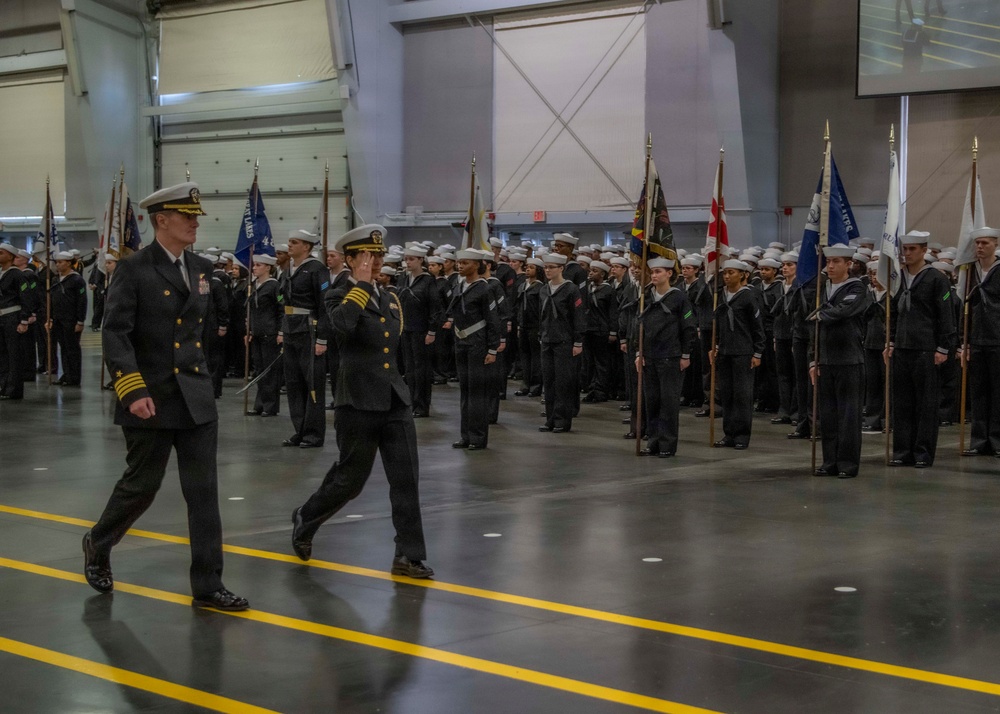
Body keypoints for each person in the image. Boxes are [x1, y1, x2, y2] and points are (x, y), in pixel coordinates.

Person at [83, 182, 248, 611]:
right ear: (162, 220)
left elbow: (197, 334)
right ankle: (99, 542)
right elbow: (116, 333)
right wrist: (131, 388)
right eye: (187, 216)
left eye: (196, 217)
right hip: (149, 397)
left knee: (204, 493)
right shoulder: (134, 269)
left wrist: (207, 382)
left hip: (195, 398)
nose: (195, 223)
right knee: (142, 486)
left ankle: (208, 586)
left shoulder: (200, 267)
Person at [291, 224, 432, 578]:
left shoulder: (390, 297)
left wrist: (372, 286)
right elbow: (342, 328)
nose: (376, 262)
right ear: (352, 260)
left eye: (379, 256)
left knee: (406, 478)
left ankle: (408, 554)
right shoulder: (336, 294)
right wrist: (362, 285)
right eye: (369, 257)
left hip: (393, 399)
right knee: (350, 480)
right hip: (356, 401)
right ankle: (307, 516)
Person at [886, 231, 956, 468]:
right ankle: (902, 450)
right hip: (903, 348)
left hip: (927, 348)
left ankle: (923, 452)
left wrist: (943, 347)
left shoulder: (936, 278)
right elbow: (894, 312)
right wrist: (892, 341)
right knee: (902, 402)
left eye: (912, 249)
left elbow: (946, 315)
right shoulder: (898, 278)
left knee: (925, 404)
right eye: (905, 249)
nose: (907, 253)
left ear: (924, 250)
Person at [808, 246, 871, 478]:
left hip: (849, 360)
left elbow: (845, 311)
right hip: (826, 359)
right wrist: (813, 360)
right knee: (828, 415)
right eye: (828, 261)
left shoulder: (857, 288)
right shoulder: (822, 289)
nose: (830, 266)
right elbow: (813, 329)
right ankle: (830, 461)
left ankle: (847, 463)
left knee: (848, 416)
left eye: (836, 261)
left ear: (848, 264)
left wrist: (822, 314)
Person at [636, 258, 697, 458]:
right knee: (651, 401)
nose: (654, 275)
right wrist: (639, 352)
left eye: (659, 271)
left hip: (671, 356)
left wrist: (685, 354)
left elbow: (688, 327)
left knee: (668, 403)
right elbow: (639, 326)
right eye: (652, 272)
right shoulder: (646, 295)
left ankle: (667, 444)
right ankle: (653, 442)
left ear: (669, 273)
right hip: (650, 357)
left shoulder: (679, 298)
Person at [445, 249, 501, 449]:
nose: (460, 266)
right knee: (465, 392)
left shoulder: (485, 289)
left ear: (477, 265)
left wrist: (493, 349)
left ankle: (478, 437)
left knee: (477, 393)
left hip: (478, 344)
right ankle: (466, 435)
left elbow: (493, 320)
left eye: (465, 263)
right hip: (462, 343)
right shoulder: (459, 285)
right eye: (459, 262)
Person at [280, 229, 330, 448]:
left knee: (312, 384)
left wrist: (322, 339)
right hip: (291, 328)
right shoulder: (287, 270)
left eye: (294, 242)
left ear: (307, 247)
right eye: (289, 242)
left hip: (310, 330)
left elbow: (325, 305)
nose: (289, 245)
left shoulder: (317, 269)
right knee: (293, 383)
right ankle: (299, 430)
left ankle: (313, 434)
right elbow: (281, 298)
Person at [711, 259, 764, 449]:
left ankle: (742, 435)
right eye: (724, 273)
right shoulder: (721, 296)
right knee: (727, 394)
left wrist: (757, 352)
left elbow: (757, 326)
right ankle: (729, 433)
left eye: (731, 273)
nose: (726, 276)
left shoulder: (748, 296)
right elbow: (718, 324)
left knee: (742, 395)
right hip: (725, 351)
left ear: (742, 274)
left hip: (743, 352)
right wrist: (715, 345)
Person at [961, 226, 1000, 457]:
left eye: (985, 243)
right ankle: (978, 440)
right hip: (976, 339)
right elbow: (963, 305)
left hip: (997, 339)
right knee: (978, 392)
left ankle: (996, 440)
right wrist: (962, 341)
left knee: (997, 392)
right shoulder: (970, 272)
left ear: (995, 244)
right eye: (977, 243)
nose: (980, 247)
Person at [539, 253, 585, 433]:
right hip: (547, 340)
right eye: (546, 267)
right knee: (548, 381)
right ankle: (550, 418)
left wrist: (578, 341)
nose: (548, 270)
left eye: (551, 267)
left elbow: (578, 316)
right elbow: (541, 316)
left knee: (563, 383)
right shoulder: (544, 289)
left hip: (564, 341)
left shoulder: (570, 289)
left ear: (561, 269)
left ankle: (562, 420)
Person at [397, 245, 442, 418]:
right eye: (406, 258)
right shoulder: (403, 278)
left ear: (421, 260)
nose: (407, 262)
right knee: (409, 369)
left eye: (411, 259)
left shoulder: (427, 280)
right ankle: (411, 402)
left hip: (421, 330)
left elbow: (434, 307)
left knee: (421, 369)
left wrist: (432, 331)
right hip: (406, 329)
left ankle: (422, 405)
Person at [246, 254, 283, 417]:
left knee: (270, 371)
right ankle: (260, 404)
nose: (254, 268)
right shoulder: (254, 285)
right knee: (259, 370)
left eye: (258, 265)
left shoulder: (274, 286)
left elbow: (281, 309)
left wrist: (281, 331)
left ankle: (270, 405)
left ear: (268, 267)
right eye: (254, 265)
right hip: (257, 333)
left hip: (270, 332)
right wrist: (249, 330)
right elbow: (250, 311)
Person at [46, 251, 88, 386]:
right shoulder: (55, 279)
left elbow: (82, 301)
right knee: (63, 348)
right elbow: (52, 300)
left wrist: (80, 321)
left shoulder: (77, 280)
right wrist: (50, 318)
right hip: (58, 319)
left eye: (60, 262)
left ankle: (74, 377)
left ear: (69, 263)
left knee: (72, 349)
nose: (57, 265)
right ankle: (66, 374)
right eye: (56, 262)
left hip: (71, 320)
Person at [582, 260, 618, 403]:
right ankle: (591, 389)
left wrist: (613, 332)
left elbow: (613, 313)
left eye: (595, 271)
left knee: (602, 363)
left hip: (602, 331)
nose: (591, 273)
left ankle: (601, 390)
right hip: (588, 330)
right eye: (590, 270)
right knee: (589, 362)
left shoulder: (608, 290)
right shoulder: (587, 289)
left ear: (603, 274)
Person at [0, 243, 30, 400]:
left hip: (13, 317)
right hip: (1, 318)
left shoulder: (17, 274)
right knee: (3, 355)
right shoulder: (1, 273)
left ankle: (14, 390)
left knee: (14, 355)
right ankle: (4, 387)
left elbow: (26, 297)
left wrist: (24, 320)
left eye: (1, 253)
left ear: (10, 256)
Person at [514, 257, 544, 397]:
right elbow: (519, 307)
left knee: (536, 357)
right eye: (527, 267)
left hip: (535, 326)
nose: (527, 269)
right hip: (524, 326)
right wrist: (519, 325)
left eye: (531, 267)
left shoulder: (541, 287)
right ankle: (525, 384)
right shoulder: (522, 286)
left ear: (538, 270)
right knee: (524, 356)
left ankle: (536, 386)